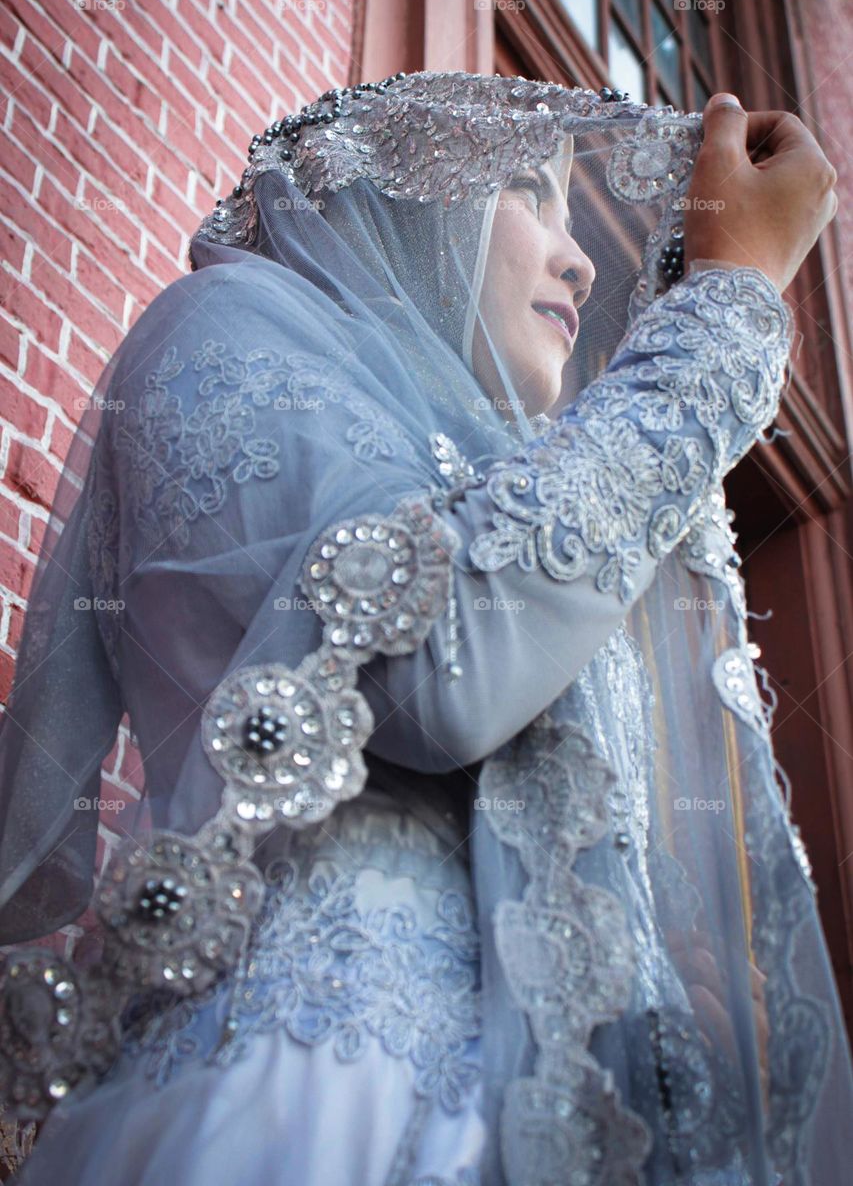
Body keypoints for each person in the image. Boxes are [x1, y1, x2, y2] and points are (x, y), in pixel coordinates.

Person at [0, 70, 849, 1186]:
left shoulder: (507, 488)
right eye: (528, 193)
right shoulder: (226, 321)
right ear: (400, 199)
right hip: (324, 1110)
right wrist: (727, 306)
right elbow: (435, 669)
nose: (581, 258)